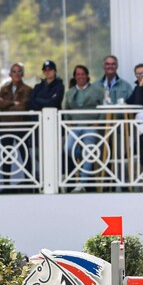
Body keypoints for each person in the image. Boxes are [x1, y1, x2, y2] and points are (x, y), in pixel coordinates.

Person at [64, 64, 104, 192]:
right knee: (68, 148)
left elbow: (104, 107)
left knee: (89, 151)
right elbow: (66, 110)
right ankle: (87, 158)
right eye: (78, 74)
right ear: (75, 77)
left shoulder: (97, 90)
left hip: (91, 126)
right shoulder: (70, 93)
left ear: (87, 76)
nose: (80, 77)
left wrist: (98, 123)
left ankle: (82, 183)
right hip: (75, 127)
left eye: (82, 74)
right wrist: (68, 123)